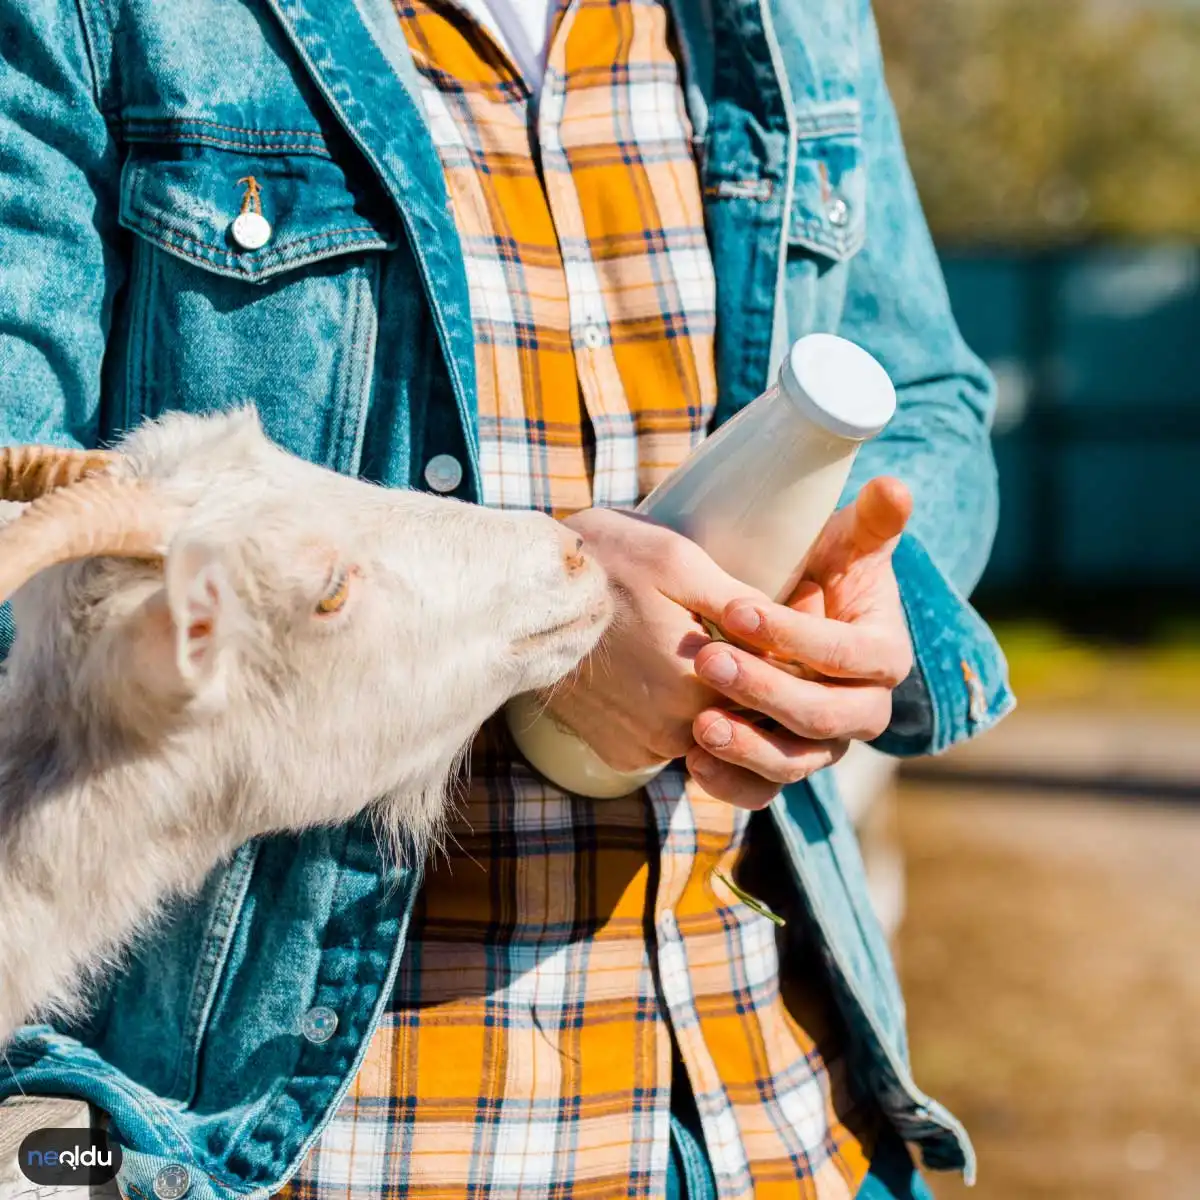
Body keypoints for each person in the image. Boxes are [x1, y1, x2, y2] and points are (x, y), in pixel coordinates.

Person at [0, 0, 1013, 1197]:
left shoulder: (795, 17)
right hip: (335, 1145)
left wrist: (849, 597)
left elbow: (932, 397)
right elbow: (29, 515)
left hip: (778, 1121)